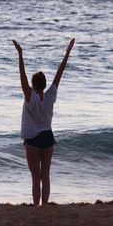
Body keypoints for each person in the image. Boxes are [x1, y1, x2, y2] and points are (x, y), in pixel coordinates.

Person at [12, 38, 75, 206]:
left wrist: (20, 54)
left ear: (33, 85)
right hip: (47, 137)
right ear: (45, 84)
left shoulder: (29, 95)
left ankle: (36, 207)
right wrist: (67, 53)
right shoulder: (50, 95)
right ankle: (45, 206)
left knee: (35, 177)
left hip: (32, 140)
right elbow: (59, 73)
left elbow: (22, 75)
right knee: (45, 175)